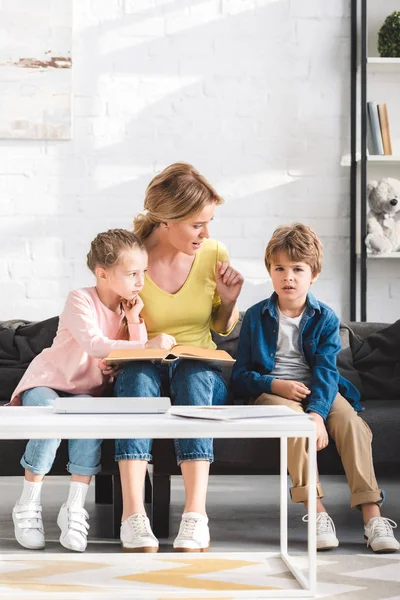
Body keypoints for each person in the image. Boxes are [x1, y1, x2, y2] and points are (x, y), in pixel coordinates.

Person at [231, 223, 399, 553]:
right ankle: (317, 513)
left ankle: (372, 516)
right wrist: (275, 383)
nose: (288, 277)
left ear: (314, 274)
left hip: (318, 390)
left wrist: (319, 414)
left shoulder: (325, 318)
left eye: (297, 269)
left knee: (352, 425)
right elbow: (240, 377)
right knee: (294, 425)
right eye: (279, 268)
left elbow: (326, 372)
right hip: (273, 393)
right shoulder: (254, 317)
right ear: (270, 271)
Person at [111, 162, 243, 553]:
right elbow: (116, 326)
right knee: (135, 380)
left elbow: (220, 329)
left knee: (193, 377)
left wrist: (230, 300)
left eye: (209, 222)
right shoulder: (132, 258)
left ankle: (195, 516)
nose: (206, 233)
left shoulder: (213, 252)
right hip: (144, 363)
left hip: (198, 367)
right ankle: (133, 516)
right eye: (197, 224)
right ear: (166, 221)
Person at [8, 229, 164, 552]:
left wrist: (134, 321)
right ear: (103, 274)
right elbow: (94, 344)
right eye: (132, 273)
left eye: (143, 273)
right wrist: (137, 345)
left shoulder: (127, 311)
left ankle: (74, 509)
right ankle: (27, 504)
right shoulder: (79, 299)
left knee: (88, 426)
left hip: (84, 393)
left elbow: (136, 355)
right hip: (49, 382)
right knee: (50, 420)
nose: (140, 281)